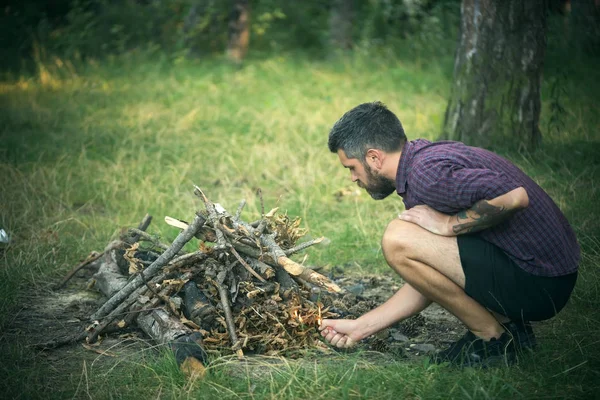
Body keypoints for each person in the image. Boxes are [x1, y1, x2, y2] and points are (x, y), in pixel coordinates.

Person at [319, 101, 580, 367]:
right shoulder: (420, 160)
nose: (352, 178)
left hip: (540, 283)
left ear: (374, 157)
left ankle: (493, 339)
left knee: (397, 238)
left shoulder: (426, 177)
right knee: (406, 238)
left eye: (351, 167)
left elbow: (515, 197)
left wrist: (448, 224)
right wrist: (361, 327)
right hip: (547, 275)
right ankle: (513, 332)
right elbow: (433, 278)